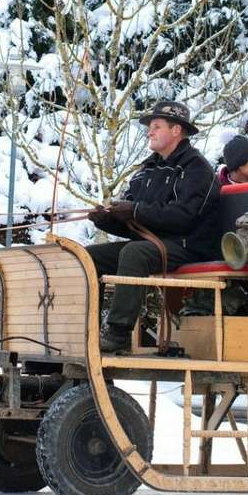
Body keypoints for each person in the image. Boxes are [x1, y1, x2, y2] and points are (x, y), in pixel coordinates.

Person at [86, 100, 222, 353]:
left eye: (156, 126)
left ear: (176, 130)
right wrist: (108, 219)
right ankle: (88, 327)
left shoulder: (196, 169)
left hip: (189, 245)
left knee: (134, 253)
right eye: (150, 127)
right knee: (88, 256)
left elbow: (184, 217)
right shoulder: (148, 169)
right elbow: (135, 225)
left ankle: (118, 332)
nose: (149, 132)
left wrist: (135, 210)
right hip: (156, 244)